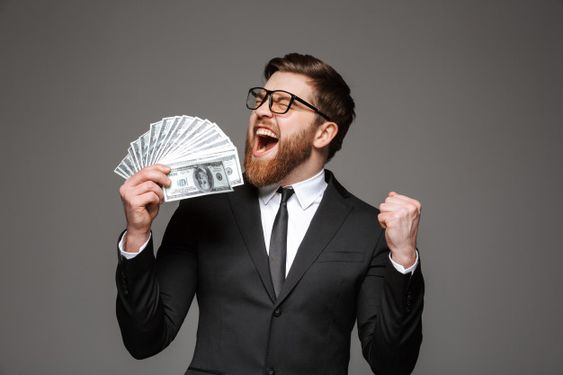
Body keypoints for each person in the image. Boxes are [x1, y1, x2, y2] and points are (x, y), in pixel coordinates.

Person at [116, 53, 424, 375]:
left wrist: (403, 259)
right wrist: (137, 236)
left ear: (324, 133)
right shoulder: (203, 208)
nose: (262, 110)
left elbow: (392, 365)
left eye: (283, 103)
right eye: (261, 99)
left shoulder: (367, 229)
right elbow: (144, 340)